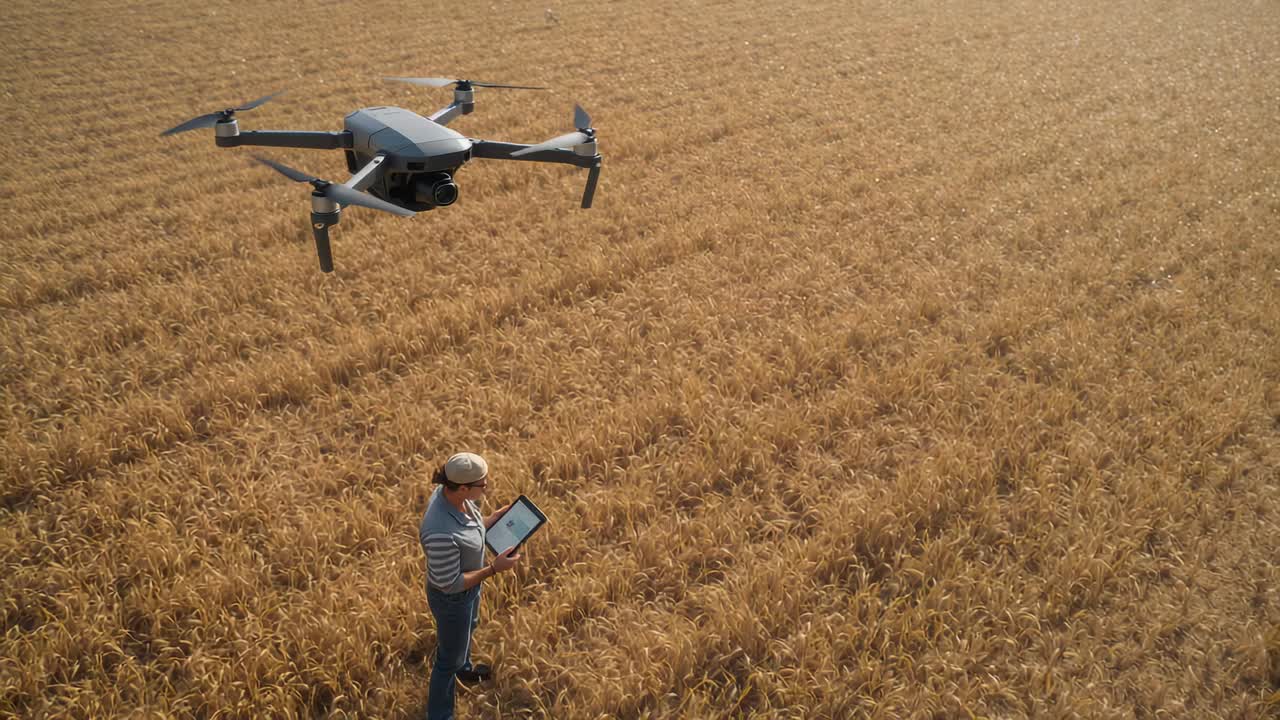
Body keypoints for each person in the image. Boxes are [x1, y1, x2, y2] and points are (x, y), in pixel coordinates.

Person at [419, 452, 520, 720]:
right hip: (453, 599)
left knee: (469, 628)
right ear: (463, 487)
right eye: (483, 484)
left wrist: (493, 519)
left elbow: (472, 529)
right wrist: (493, 569)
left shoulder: (455, 497)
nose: (486, 487)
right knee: (445, 663)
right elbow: (450, 584)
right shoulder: (439, 531)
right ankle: (440, 715)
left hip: (468, 591)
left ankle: (463, 667)